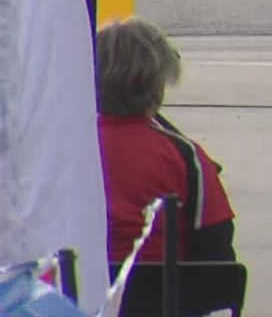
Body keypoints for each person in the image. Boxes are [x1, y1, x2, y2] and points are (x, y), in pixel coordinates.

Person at [96, 19, 236, 263]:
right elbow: (217, 251)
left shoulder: (63, 149)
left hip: (76, 296)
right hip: (164, 295)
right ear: (157, 86)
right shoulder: (184, 155)